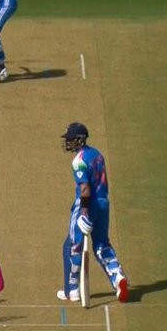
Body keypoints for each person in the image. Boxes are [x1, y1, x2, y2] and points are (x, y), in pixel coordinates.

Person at [58, 122, 130, 303]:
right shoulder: (97, 154)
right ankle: (118, 276)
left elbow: (85, 189)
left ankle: (72, 290)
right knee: (102, 244)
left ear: (80, 140)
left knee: (73, 245)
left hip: (87, 205)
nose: (68, 142)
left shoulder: (78, 161)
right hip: (103, 203)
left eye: (71, 139)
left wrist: (83, 212)